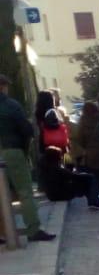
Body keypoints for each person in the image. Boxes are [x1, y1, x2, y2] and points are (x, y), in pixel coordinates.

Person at [0, 75, 56, 241]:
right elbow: (26, 129)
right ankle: (33, 229)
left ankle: (3, 232)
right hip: (12, 151)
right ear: (2, 87)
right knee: (24, 191)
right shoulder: (10, 105)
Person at [72, 99, 99, 209]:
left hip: (92, 154)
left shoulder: (83, 121)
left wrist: (87, 147)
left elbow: (78, 138)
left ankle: (94, 200)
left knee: (95, 178)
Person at [37, 92, 71, 157]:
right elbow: (54, 125)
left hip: (45, 143)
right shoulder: (52, 111)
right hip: (56, 144)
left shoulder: (39, 113)